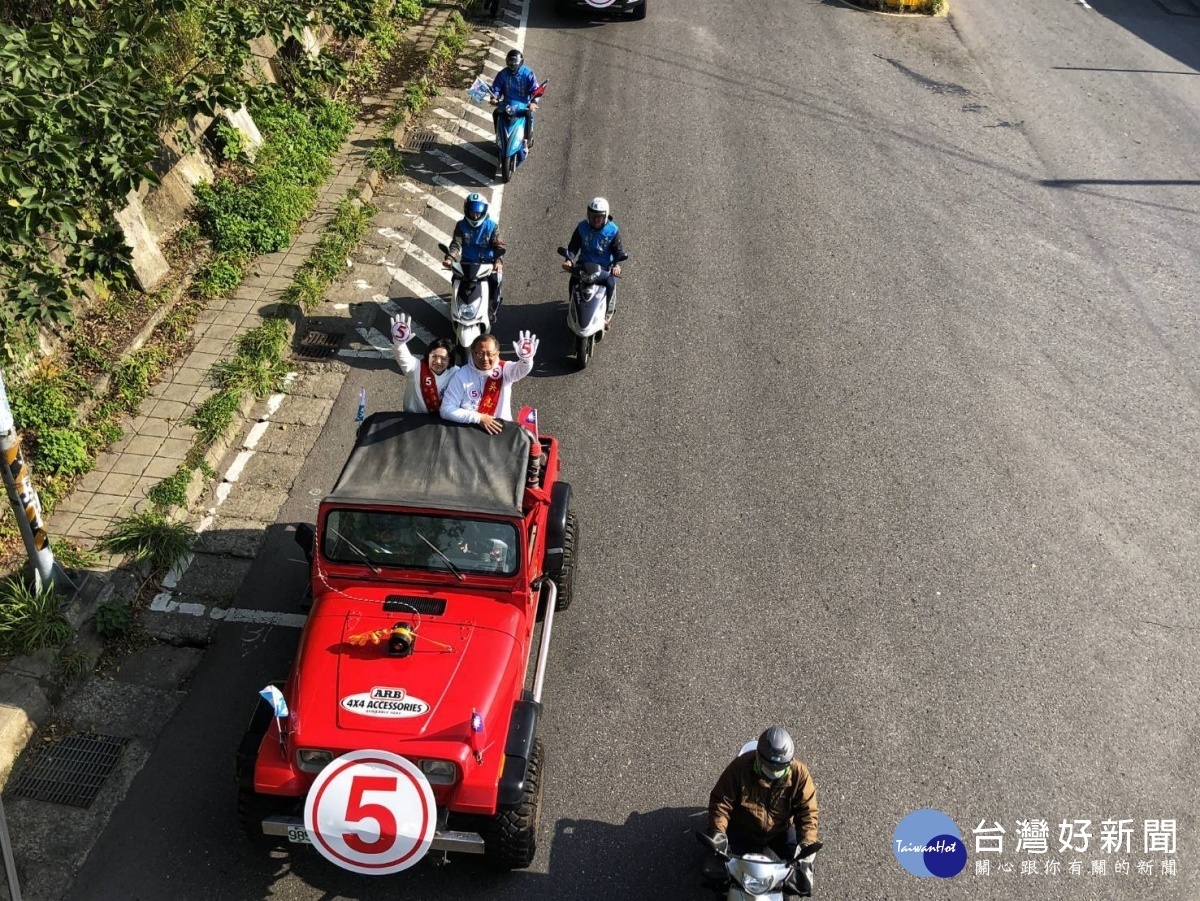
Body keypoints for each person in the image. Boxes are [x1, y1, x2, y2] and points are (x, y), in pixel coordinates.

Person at [704, 727, 819, 899]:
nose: (773, 773)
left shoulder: (800, 774)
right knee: (717, 873)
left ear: (790, 761)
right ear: (758, 757)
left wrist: (806, 849)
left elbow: (808, 813)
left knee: (801, 875)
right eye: (769, 767)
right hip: (743, 828)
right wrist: (718, 834)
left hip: (780, 830)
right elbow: (721, 803)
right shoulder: (740, 767)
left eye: (779, 768)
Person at [440, 332, 538, 435]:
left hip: (501, 431)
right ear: (472, 353)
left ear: (497, 354)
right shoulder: (461, 375)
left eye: (490, 354)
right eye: (480, 354)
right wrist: (479, 418)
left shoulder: (505, 369)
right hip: (470, 433)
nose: (485, 359)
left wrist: (526, 359)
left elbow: (521, 369)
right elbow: (446, 410)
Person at [562, 196, 627, 328]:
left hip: (603, 269)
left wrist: (617, 265)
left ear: (605, 216)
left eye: (599, 217)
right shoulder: (582, 227)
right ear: (588, 214)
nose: (596, 219)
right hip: (584, 265)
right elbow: (573, 247)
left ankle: (606, 316)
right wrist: (569, 260)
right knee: (573, 280)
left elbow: (618, 251)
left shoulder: (612, 231)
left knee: (610, 283)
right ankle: (572, 307)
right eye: (593, 216)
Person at [443, 192, 505, 321]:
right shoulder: (461, 226)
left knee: (494, 281)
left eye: (477, 212)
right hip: (467, 263)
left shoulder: (492, 227)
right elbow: (456, 244)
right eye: (472, 212)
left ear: (484, 211)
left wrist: (498, 261)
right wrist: (450, 258)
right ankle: (458, 305)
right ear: (466, 210)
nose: (475, 215)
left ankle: (491, 308)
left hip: (487, 264)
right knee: (456, 280)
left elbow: (498, 246)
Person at [390, 313, 457, 414]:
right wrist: (399, 343)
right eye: (434, 357)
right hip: (413, 420)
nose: (438, 362)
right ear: (428, 355)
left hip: (442, 423)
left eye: (443, 358)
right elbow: (402, 356)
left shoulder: (456, 373)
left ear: (450, 360)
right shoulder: (415, 368)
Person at [491, 49, 539, 148]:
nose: (512, 64)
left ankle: (528, 138)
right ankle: (498, 137)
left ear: (520, 62)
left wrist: (533, 102)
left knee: (529, 115)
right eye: (510, 61)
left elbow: (535, 89)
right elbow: (496, 87)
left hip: (523, 105)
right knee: (496, 113)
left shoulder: (528, 73)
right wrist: (494, 97)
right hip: (507, 105)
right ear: (507, 61)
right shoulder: (502, 74)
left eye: (515, 61)